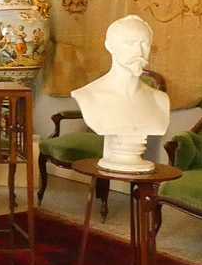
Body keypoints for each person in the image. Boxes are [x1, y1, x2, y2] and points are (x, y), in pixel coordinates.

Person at [72, 14, 170, 172]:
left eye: (144, 44)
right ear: (110, 46)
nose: (139, 51)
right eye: (130, 43)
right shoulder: (88, 96)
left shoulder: (159, 100)